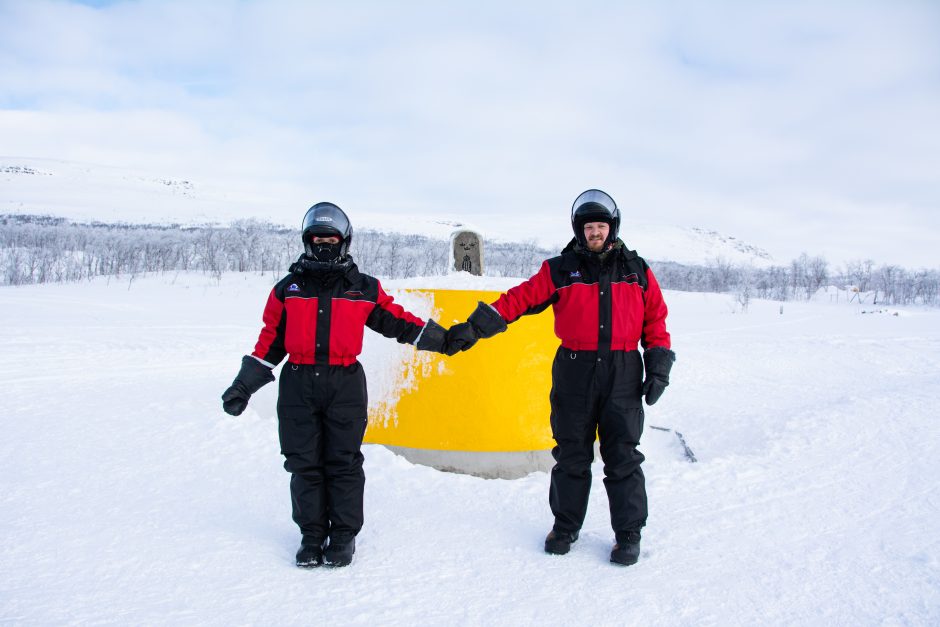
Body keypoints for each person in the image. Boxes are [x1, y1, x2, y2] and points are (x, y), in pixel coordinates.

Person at [446, 189, 675, 566]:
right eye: (589, 228)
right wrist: (475, 327)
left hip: (623, 372)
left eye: (601, 226)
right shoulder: (560, 269)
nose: (595, 233)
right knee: (571, 455)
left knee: (623, 457)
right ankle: (565, 527)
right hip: (575, 371)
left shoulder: (637, 270)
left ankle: (628, 535)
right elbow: (519, 299)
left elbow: (656, 320)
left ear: (611, 228)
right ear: (579, 230)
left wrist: (659, 366)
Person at [221, 202, 449, 568]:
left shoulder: (362, 288)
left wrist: (444, 339)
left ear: (344, 242)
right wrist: (242, 387)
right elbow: (269, 343)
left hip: (344, 383)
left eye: (331, 239)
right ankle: (311, 536)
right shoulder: (288, 289)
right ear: (307, 242)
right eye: (317, 240)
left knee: (342, 462)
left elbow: (399, 322)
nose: (324, 246)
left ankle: (343, 536)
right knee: (302, 463)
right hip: (297, 382)